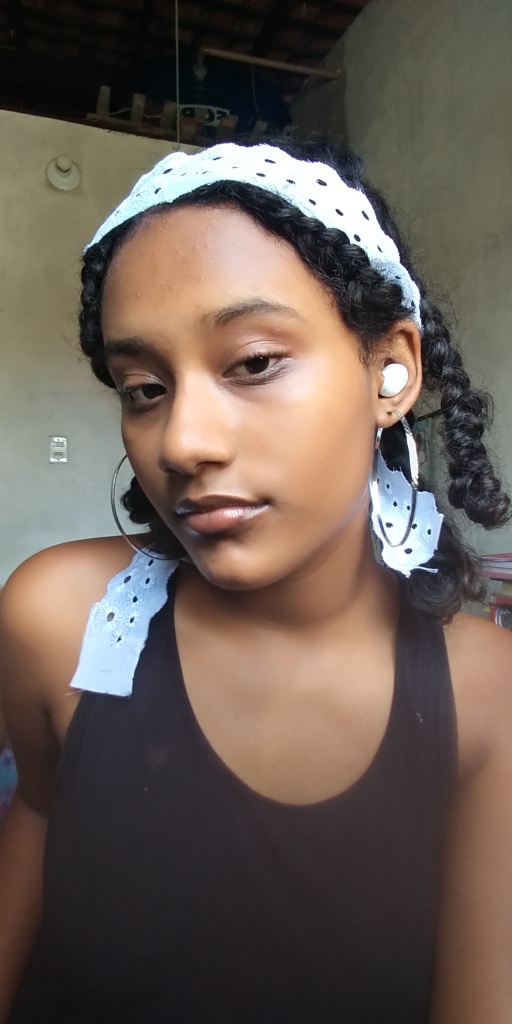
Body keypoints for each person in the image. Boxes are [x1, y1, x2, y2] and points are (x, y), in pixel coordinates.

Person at [1, 137, 512, 1024]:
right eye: (144, 387)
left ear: (391, 368)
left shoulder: (488, 697)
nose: (183, 442)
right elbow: (38, 817)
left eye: (253, 363)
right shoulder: (58, 620)